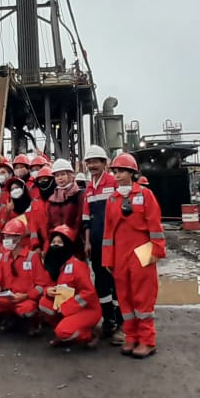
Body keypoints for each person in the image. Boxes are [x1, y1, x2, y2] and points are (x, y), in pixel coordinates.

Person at [102, 153, 165, 359]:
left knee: (143, 298)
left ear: (131, 173)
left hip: (141, 252)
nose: (117, 175)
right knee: (125, 298)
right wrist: (108, 259)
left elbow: (154, 225)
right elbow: (108, 232)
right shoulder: (113, 199)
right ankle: (131, 336)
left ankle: (147, 341)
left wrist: (156, 251)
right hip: (120, 254)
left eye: (120, 171)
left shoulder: (146, 195)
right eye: (115, 171)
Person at [0, 219, 49, 335]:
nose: (6, 240)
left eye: (10, 236)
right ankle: (10, 316)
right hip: (8, 297)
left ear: (19, 238)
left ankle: (33, 322)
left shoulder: (32, 257)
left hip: (25, 299)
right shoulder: (5, 257)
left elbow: (42, 285)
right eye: (6, 236)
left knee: (27, 309)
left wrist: (26, 295)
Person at [82, 145, 124, 345]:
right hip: (96, 243)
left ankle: (120, 323)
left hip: (114, 243)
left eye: (95, 161)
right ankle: (108, 320)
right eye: (89, 162)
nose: (92, 165)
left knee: (116, 282)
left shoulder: (113, 183)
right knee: (101, 282)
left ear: (105, 163)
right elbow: (86, 218)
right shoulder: (89, 187)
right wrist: (88, 242)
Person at [39, 225, 101, 348]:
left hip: (87, 310)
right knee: (44, 303)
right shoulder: (53, 265)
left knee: (63, 332)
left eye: (60, 242)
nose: (55, 245)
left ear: (67, 245)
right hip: (65, 306)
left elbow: (88, 293)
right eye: (53, 242)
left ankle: (90, 335)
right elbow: (47, 284)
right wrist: (48, 291)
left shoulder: (78, 266)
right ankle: (62, 333)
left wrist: (67, 307)